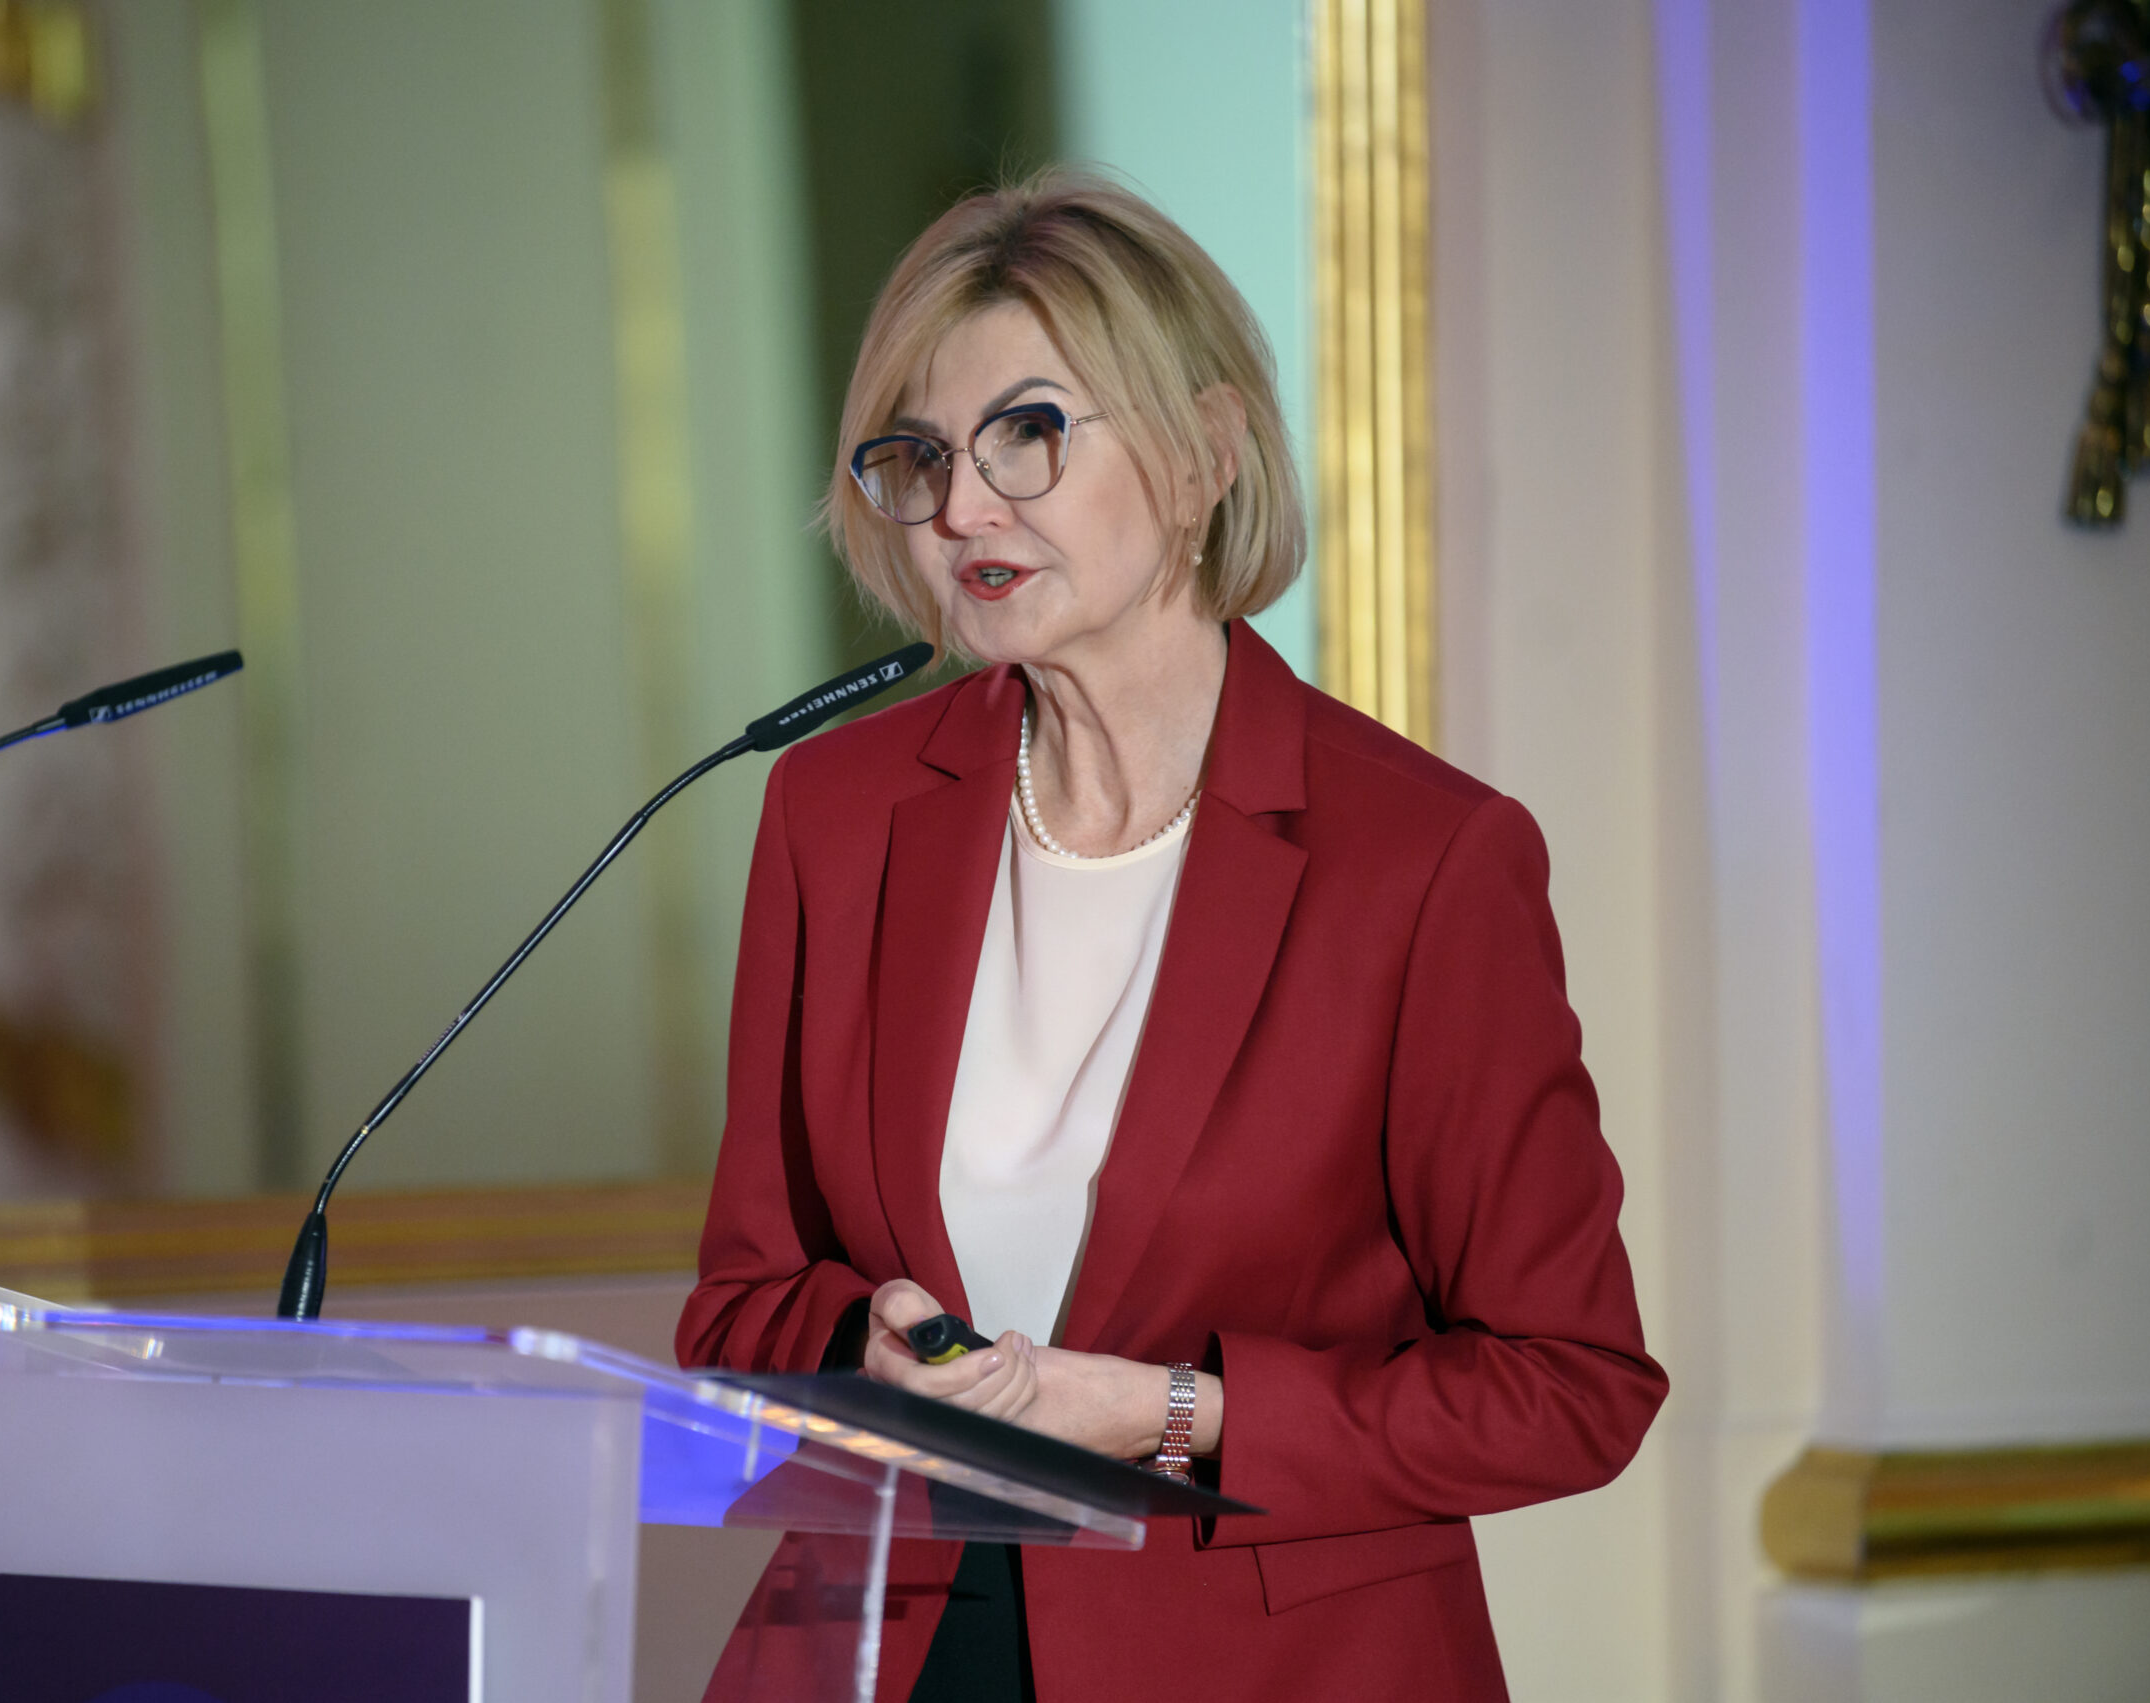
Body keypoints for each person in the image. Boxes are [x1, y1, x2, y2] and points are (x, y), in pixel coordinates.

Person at [675, 169, 1665, 1703]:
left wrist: (1173, 1413)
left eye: (1028, 432)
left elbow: (1570, 1388)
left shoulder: (1424, 862)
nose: (962, 508)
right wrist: (857, 1343)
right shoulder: (835, 813)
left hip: (1273, 1668)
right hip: (894, 1648)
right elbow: (740, 1305)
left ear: (1206, 452)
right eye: (921, 456)